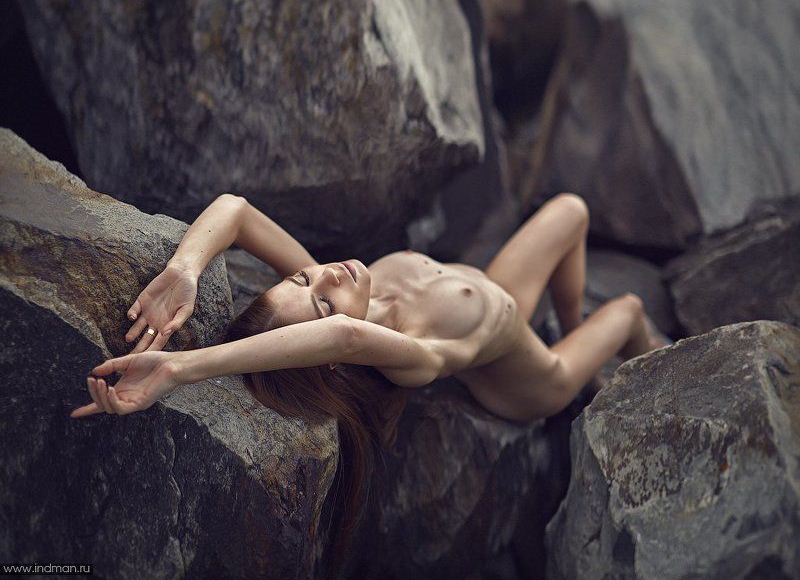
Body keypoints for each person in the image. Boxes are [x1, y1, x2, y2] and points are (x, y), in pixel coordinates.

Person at [69, 191, 670, 563]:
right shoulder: (409, 355)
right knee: (628, 314)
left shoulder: (338, 286)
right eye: (322, 301)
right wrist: (178, 367)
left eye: (303, 282)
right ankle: (606, 368)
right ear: (331, 349)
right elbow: (345, 335)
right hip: (532, 380)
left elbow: (237, 210)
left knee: (572, 209)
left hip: (504, 295)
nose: (326, 277)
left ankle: (571, 319)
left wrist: (185, 268)